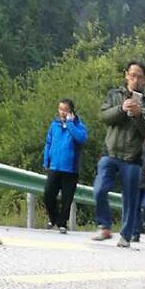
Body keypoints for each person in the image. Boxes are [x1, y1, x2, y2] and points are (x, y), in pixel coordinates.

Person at [92, 60, 145, 248]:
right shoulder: (114, 95)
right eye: (132, 74)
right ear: (126, 75)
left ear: (144, 80)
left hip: (133, 158)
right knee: (99, 190)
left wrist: (138, 115)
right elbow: (104, 116)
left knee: (130, 199)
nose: (135, 79)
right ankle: (104, 226)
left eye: (140, 76)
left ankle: (126, 236)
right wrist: (122, 108)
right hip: (110, 152)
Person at [42, 99, 87, 233]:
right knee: (48, 194)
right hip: (54, 166)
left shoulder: (79, 126)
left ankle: (62, 223)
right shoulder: (54, 125)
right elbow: (48, 143)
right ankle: (54, 218)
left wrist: (70, 124)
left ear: (71, 111)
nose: (62, 112)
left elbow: (81, 139)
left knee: (67, 198)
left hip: (70, 169)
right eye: (60, 109)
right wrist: (46, 160)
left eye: (65, 109)